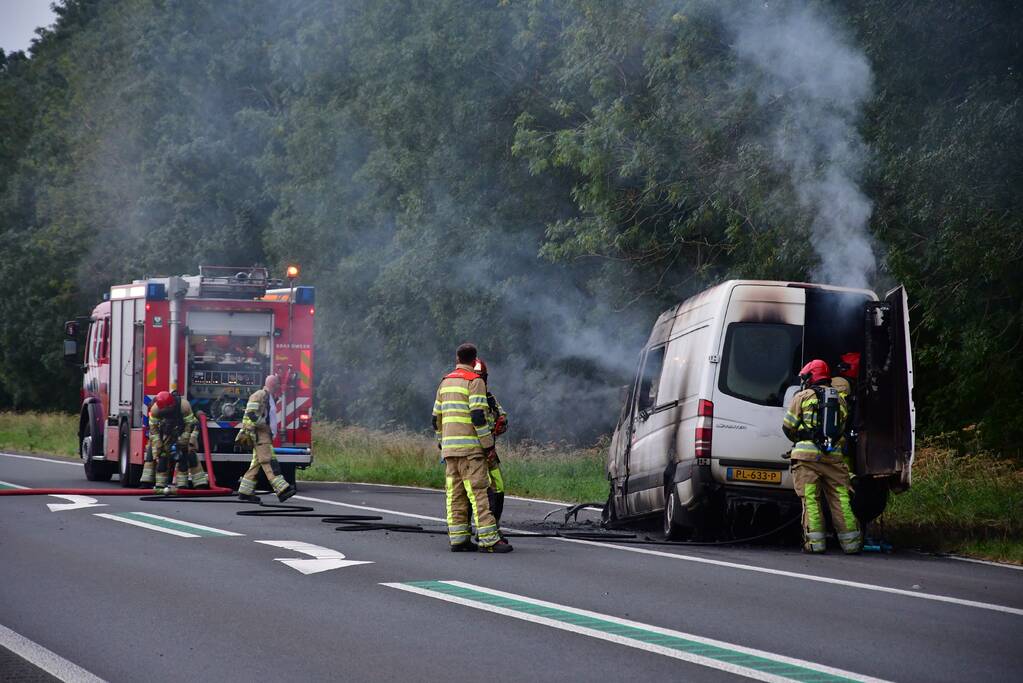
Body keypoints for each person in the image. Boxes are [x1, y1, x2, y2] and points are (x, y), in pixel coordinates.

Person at [432, 343, 510, 553]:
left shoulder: (445, 383)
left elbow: (435, 419)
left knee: (455, 495)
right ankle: (488, 540)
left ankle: (458, 539)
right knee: (479, 493)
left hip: (450, 451)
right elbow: (477, 416)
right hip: (471, 450)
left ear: (457, 357)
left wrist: (443, 444)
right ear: (474, 359)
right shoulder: (474, 382)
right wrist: (487, 445)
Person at [782, 360, 861, 554]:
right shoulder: (840, 400)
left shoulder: (802, 396)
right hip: (833, 457)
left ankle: (815, 544)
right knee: (841, 498)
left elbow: (788, 426)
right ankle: (851, 544)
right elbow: (841, 430)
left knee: (811, 499)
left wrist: (801, 439)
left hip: (807, 459)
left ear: (810, 377)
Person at [235, 374, 296, 503]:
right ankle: (282, 489)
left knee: (256, 464)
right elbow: (250, 415)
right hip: (260, 435)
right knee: (268, 461)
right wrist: (263, 426)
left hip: (264, 434)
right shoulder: (259, 395)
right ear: (273, 384)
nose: (278, 387)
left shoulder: (269, 397)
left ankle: (244, 492)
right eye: (277, 384)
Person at [144, 391, 208, 491]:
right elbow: (154, 429)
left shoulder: (184, 406)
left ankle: (197, 484)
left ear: (172, 405)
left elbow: (190, 426)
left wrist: (184, 440)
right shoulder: (155, 410)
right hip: (167, 432)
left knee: (188, 454)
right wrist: (158, 444)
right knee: (161, 455)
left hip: (187, 430)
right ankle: (158, 484)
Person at [474, 358, 509, 525]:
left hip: (489, 452)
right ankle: (477, 529)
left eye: (482, 378)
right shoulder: (463, 397)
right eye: (477, 377)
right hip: (473, 452)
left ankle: (494, 526)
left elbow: (502, 415)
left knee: (498, 486)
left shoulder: (488, 397)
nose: (480, 381)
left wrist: (501, 422)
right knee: (475, 492)